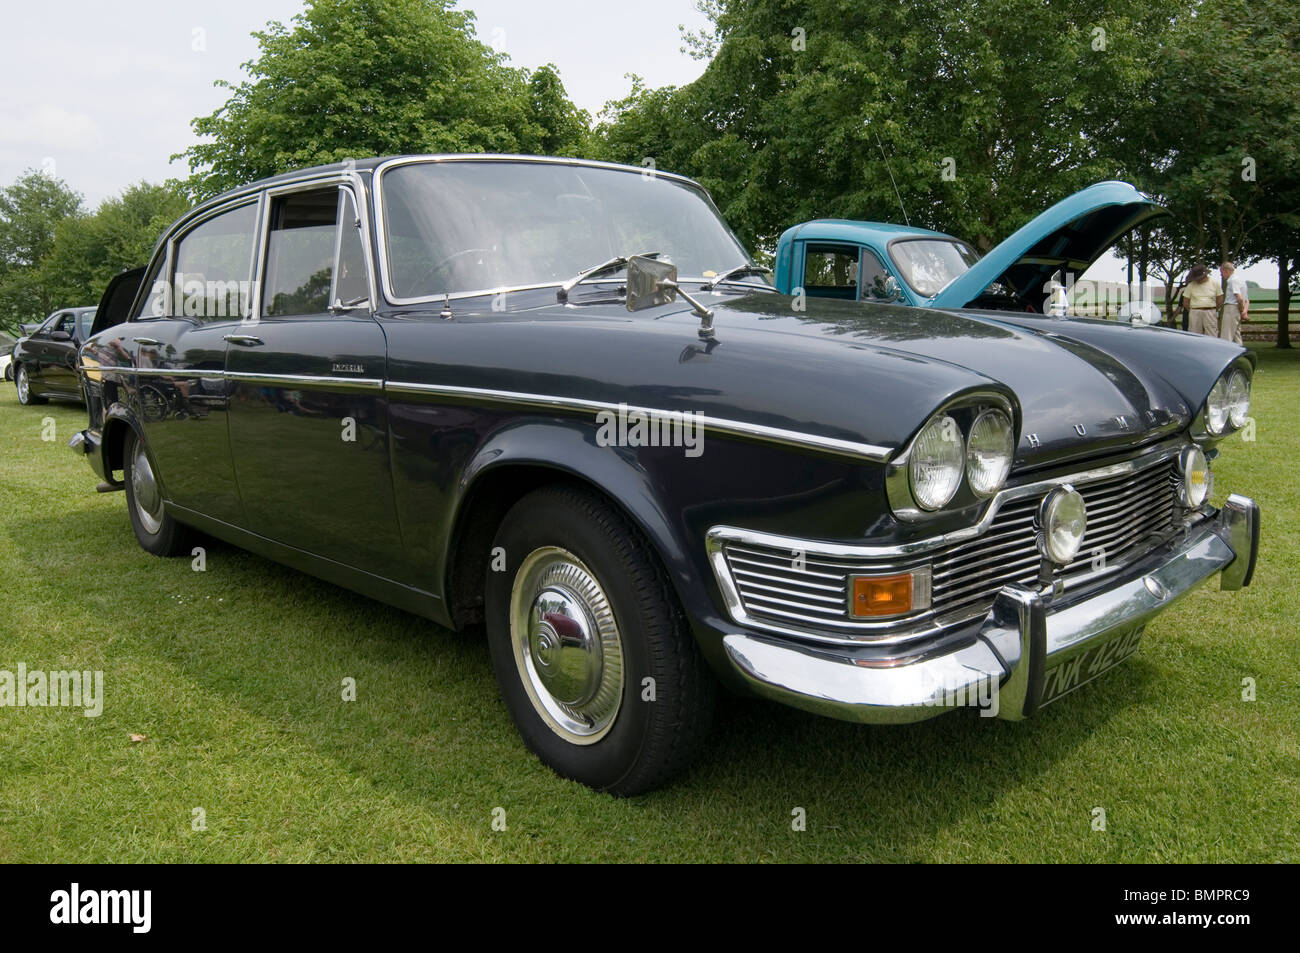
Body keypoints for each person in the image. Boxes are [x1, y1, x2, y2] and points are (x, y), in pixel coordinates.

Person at [1180, 264, 1223, 336]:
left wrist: (1212, 309)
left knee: (1212, 333)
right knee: (1194, 334)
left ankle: (1212, 347)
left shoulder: (1215, 283)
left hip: (1210, 311)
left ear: (1205, 276)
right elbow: (1185, 302)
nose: (1197, 280)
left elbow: (1220, 300)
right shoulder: (1191, 285)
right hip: (1194, 312)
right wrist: (1194, 310)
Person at [1219, 261, 1249, 344]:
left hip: (1231, 308)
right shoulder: (1241, 280)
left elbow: (1239, 298)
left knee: (1226, 335)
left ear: (1226, 271)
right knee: (1236, 335)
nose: (1221, 275)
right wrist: (1243, 311)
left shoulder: (1233, 280)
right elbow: (1246, 300)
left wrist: (1240, 309)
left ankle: (1224, 354)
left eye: (1221, 272)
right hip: (1236, 309)